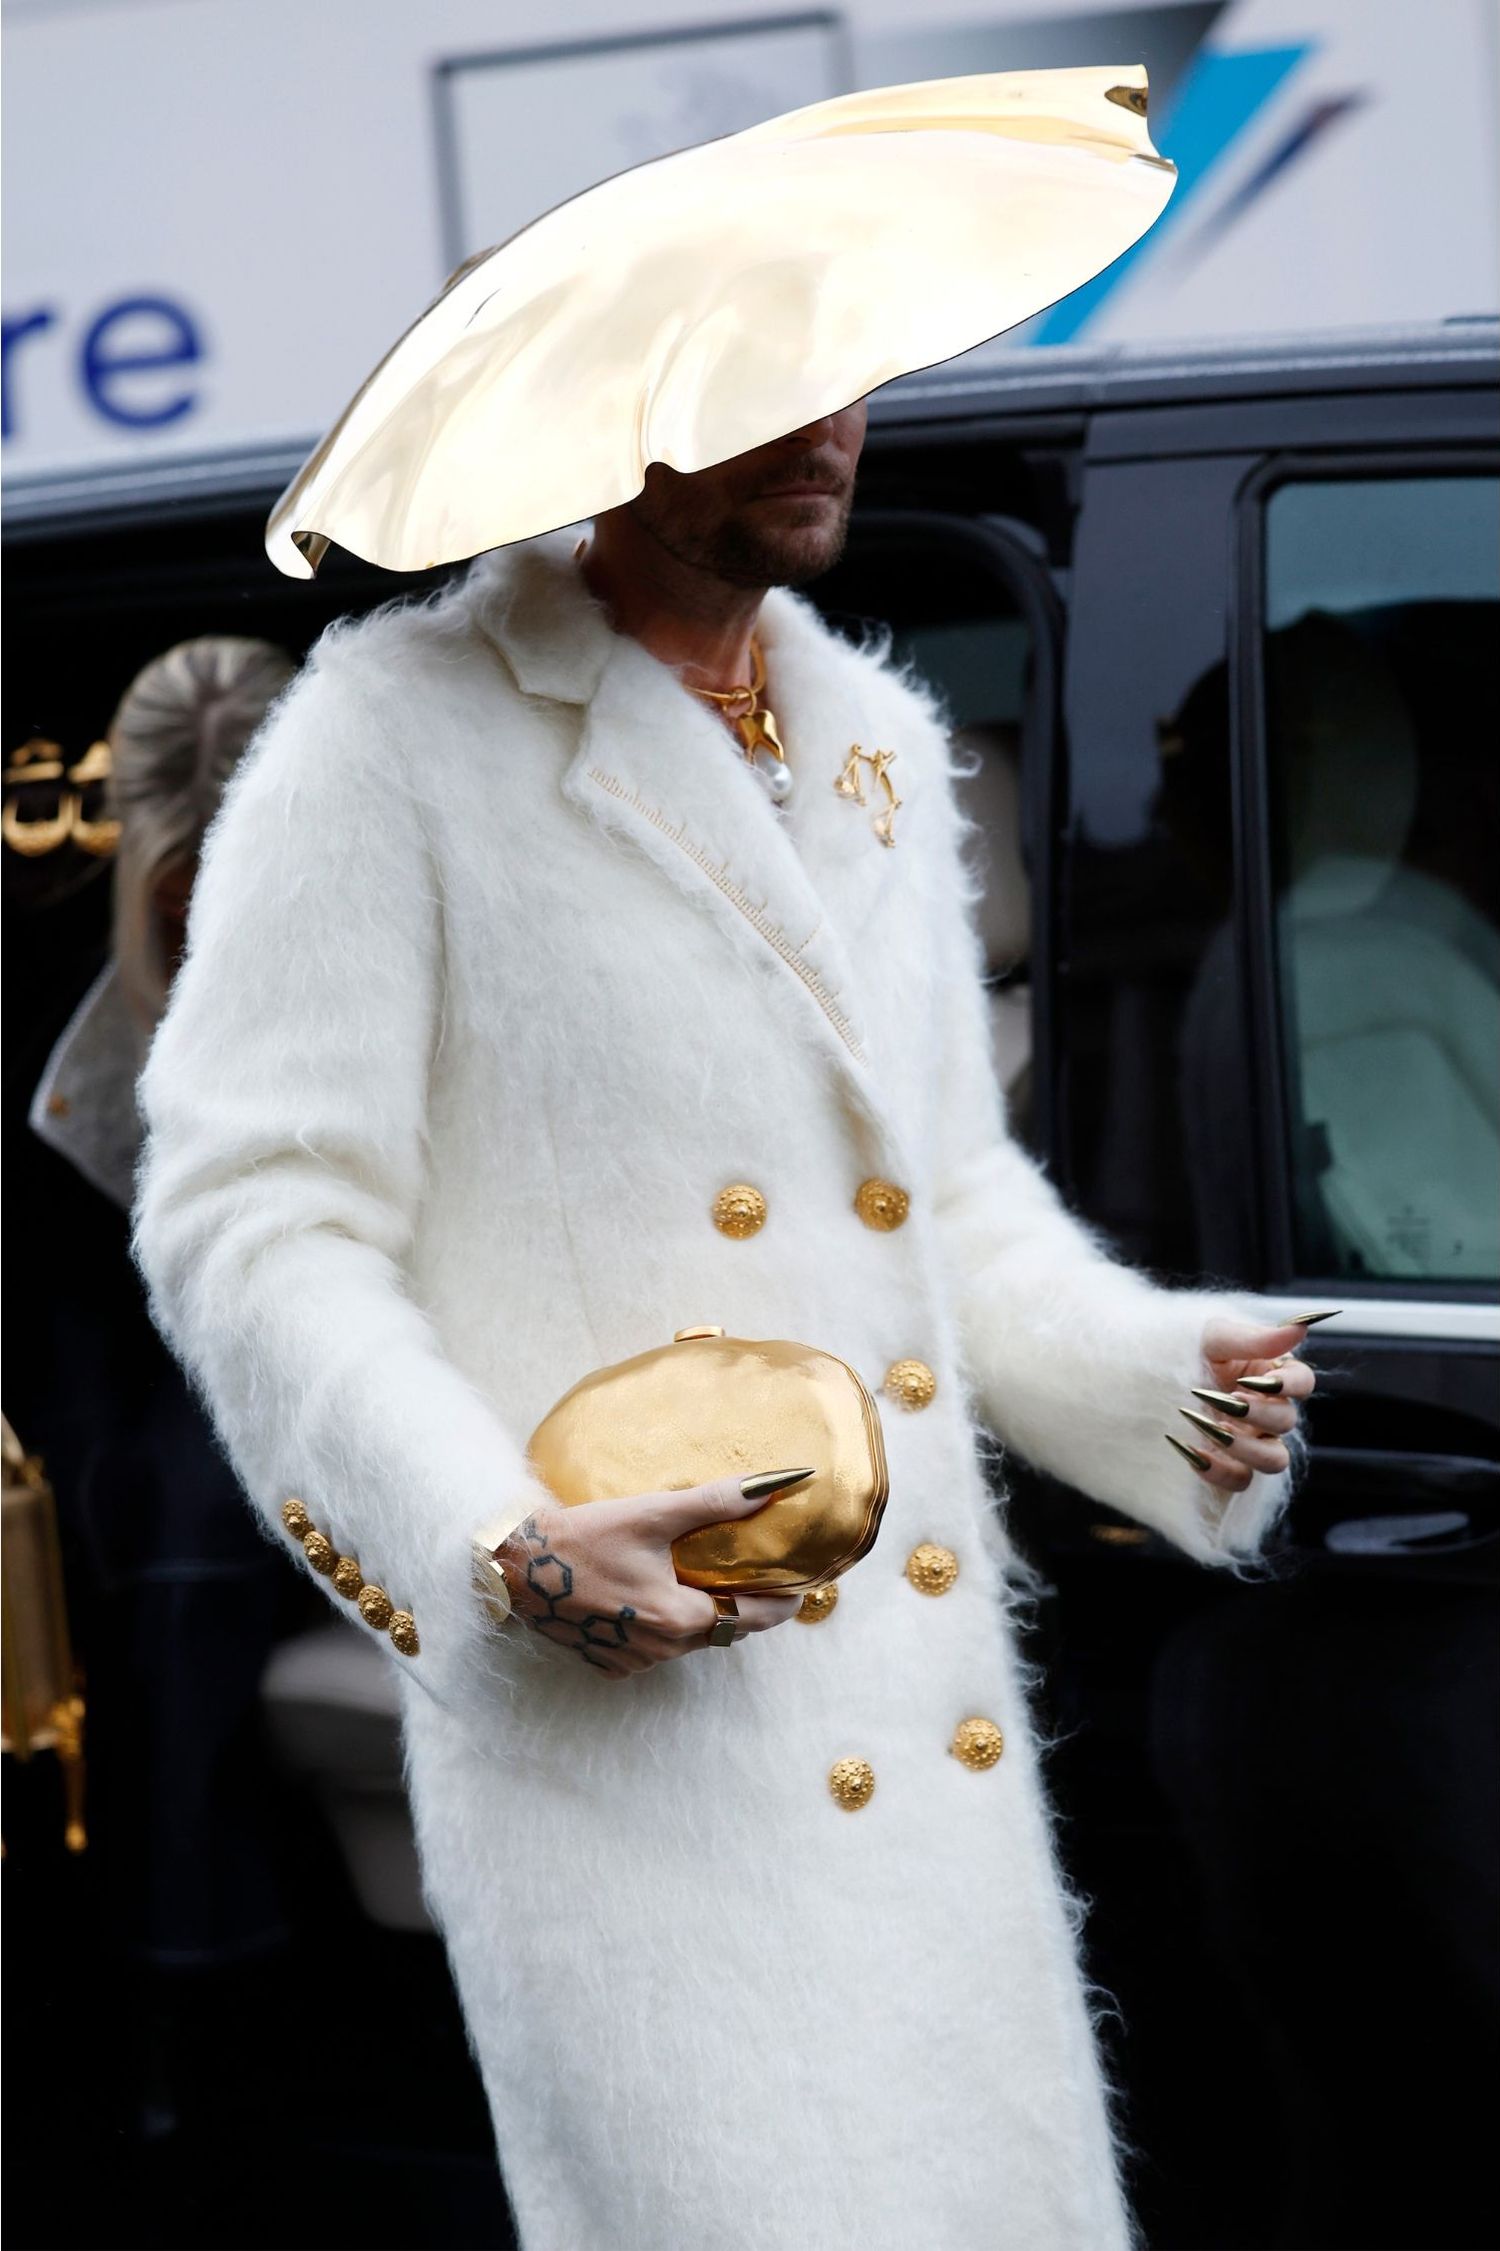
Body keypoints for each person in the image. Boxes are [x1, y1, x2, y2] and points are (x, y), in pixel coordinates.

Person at [132, 404, 1322, 2250]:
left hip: (922, 1743)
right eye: (753, 378)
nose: (823, 421)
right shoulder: (384, 742)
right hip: (639, 1738)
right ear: (608, 409)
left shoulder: (879, 745)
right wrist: (498, 1545)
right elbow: (248, 1215)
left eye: (836, 367)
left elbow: (946, 1200)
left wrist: (1157, 1382)